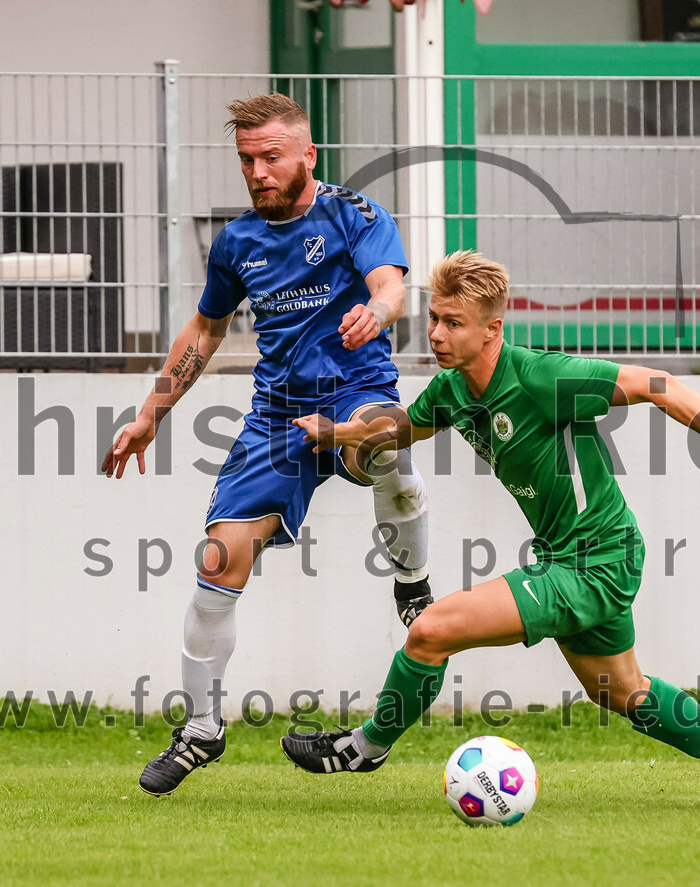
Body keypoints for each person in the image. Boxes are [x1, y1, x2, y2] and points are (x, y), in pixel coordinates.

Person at [283, 250, 700, 807]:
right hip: (572, 557)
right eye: (434, 319)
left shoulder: (543, 377)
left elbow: (656, 382)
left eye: (454, 323)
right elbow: (405, 428)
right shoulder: (453, 390)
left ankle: (364, 747)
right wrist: (344, 433)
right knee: (623, 692)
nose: (437, 334)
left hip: (595, 560)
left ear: (492, 329)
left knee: (430, 630)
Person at [101, 93, 434, 797]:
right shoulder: (237, 243)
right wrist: (150, 414)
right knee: (218, 561)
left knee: (385, 450)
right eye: (246, 159)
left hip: (355, 391)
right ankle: (201, 729)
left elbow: (390, 287)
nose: (257, 171)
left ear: (307, 155)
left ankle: (413, 582)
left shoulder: (354, 214)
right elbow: (204, 331)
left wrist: (373, 311)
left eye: (270, 156)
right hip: (277, 417)